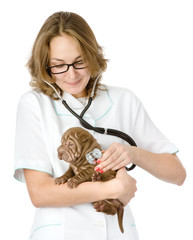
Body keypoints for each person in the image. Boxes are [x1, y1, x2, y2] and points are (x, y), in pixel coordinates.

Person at [14, 11, 186, 240]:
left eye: (79, 62)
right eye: (59, 65)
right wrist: (115, 189)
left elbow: (177, 173)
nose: (72, 74)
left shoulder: (124, 100)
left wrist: (132, 153)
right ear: (45, 65)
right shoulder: (34, 104)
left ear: (92, 56)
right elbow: (40, 192)